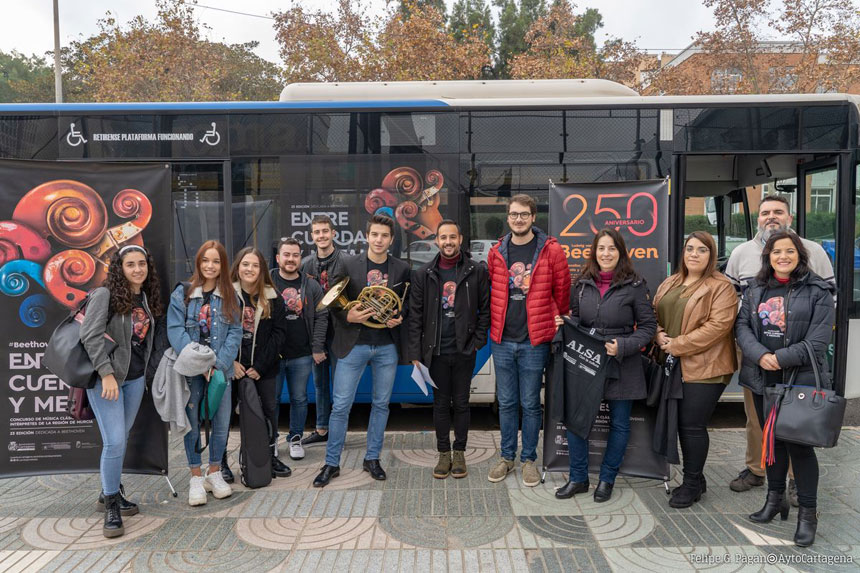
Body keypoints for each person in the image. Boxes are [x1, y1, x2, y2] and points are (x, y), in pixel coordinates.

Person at [725, 194, 834, 505]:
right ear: (758, 218)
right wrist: (758, 353)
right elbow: (736, 306)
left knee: (796, 428)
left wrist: (785, 354)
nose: (770, 217)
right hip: (757, 359)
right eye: (765, 213)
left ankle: (796, 482)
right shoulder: (743, 253)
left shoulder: (813, 252)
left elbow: (828, 305)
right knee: (757, 419)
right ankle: (757, 470)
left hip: (798, 364)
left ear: (790, 216)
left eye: (777, 211)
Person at [552, 229, 656, 502]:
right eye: (601, 248)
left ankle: (607, 479)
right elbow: (578, 320)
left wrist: (623, 346)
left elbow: (648, 328)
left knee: (620, 425)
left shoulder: (635, 285)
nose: (606, 253)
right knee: (575, 422)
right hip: (586, 363)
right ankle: (578, 478)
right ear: (594, 252)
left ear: (620, 252)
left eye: (611, 248)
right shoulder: (582, 283)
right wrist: (566, 324)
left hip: (622, 363)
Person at [313, 214, 411, 487]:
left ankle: (372, 458)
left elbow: (405, 304)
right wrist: (349, 316)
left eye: (384, 236)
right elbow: (331, 300)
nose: (379, 240)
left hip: (386, 346)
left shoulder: (401, 268)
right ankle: (331, 463)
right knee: (341, 406)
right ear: (367, 236)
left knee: (381, 405)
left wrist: (399, 316)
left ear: (391, 240)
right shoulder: (346, 262)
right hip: (352, 344)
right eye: (375, 235)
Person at [487, 194, 571, 487]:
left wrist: (555, 319)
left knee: (531, 403)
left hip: (535, 341)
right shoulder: (497, 251)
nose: (518, 219)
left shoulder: (551, 250)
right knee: (507, 402)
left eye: (524, 214)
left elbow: (562, 292)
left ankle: (529, 460)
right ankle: (507, 457)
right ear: (508, 218)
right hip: (502, 339)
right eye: (513, 214)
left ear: (534, 217)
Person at [652, 231, 738, 508]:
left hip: (707, 366)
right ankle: (696, 477)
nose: (694, 254)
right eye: (690, 248)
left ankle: (691, 486)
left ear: (711, 255)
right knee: (679, 423)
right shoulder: (671, 281)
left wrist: (677, 344)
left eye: (702, 250)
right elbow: (653, 313)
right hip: (673, 361)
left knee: (691, 426)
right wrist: (657, 333)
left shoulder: (721, 286)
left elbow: (717, 328)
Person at [80, 245, 160, 538]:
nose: (137, 269)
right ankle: (111, 505)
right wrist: (106, 374)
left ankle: (108, 491)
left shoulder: (144, 297)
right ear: (119, 268)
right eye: (130, 264)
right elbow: (89, 335)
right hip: (108, 381)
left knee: (121, 439)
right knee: (114, 442)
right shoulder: (104, 295)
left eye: (142, 263)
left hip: (135, 379)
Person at [407, 219, 490, 479]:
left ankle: (460, 453)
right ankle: (444, 453)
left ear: (461, 239)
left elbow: (485, 310)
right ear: (437, 241)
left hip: (465, 350)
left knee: (463, 403)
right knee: (441, 404)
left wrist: (477, 341)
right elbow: (415, 316)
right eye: (443, 238)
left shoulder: (476, 271)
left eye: (453, 237)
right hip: (436, 352)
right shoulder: (423, 274)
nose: (448, 242)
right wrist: (415, 354)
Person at [167, 240, 242, 506]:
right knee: (192, 425)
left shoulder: (232, 296)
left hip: (220, 373)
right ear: (198, 263)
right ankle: (195, 476)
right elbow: (176, 331)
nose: (210, 266)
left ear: (223, 265)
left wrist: (217, 365)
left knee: (222, 424)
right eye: (205, 261)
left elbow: (235, 334)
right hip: (191, 372)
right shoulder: (183, 294)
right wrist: (200, 364)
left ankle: (214, 472)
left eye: (216, 261)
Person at [228, 247, 291, 478]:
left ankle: (270, 457)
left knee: (268, 412)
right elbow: (219, 332)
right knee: (225, 418)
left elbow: (279, 334)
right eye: (245, 264)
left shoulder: (273, 297)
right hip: (232, 369)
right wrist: (231, 364)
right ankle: (222, 464)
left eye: (255, 265)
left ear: (262, 269)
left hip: (264, 370)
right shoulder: (226, 294)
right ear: (238, 267)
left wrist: (260, 367)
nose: (250, 269)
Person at [272, 237, 328, 461]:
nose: (291, 259)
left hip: (302, 354)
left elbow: (322, 316)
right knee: (271, 400)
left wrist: (317, 347)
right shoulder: (267, 280)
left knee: (300, 399)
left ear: (300, 258)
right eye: (286, 255)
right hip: (272, 355)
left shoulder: (311, 284)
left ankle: (295, 439)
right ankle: (271, 440)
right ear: (278, 258)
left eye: (295, 255)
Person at [299, 215, 344, 448]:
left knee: (340, 386)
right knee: (320, 384)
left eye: (325, 231)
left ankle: (337, 432)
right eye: (317, 232)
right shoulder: (306, 264)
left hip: (340, 333)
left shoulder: (346, 260)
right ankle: (322, 429)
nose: (321, 236)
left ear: (333, 233)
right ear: (312, 236)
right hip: (316, 333)